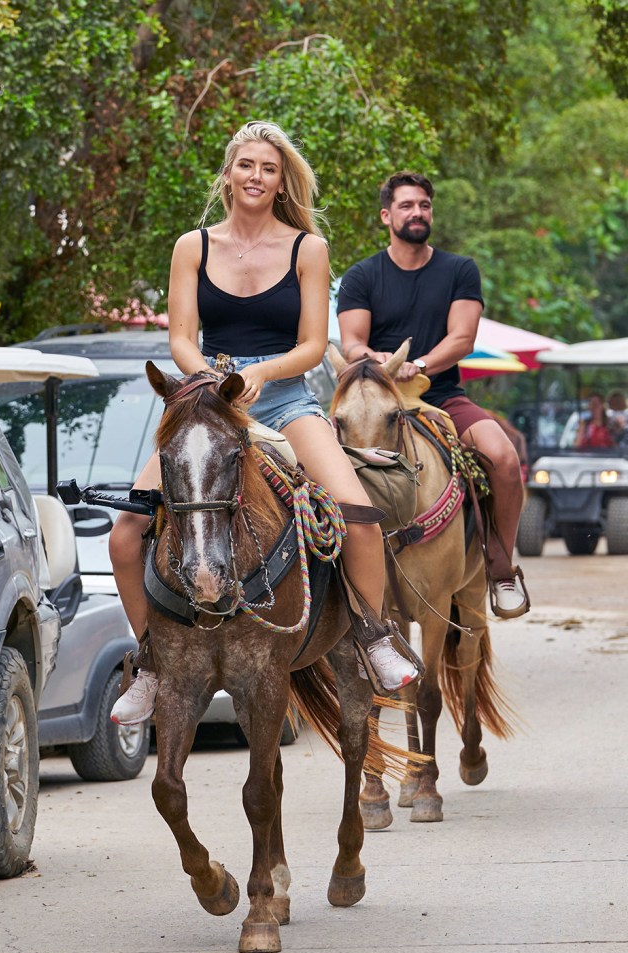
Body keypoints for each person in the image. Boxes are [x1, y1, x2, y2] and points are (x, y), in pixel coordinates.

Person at [109, 122, 420, 725]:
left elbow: (311, 345)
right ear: (228, 173)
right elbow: (179, 336)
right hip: (208, 403)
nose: (256, 176)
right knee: (125, 532)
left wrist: (260, 375)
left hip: (283, 402)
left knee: (359, 518)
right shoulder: (192, 246)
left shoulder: (307, 248)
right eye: (246, 165)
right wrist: (214, 382)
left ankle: (373, 635)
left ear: (282, 182)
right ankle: (149, 663)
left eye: (269, 169)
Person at [337, 170, 528, 619]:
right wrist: (381, 361)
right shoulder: (362, 275)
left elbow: (462, 338)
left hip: (440, 394)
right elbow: (351, 344)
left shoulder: (459, 270)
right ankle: (324, 572)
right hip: (376, 401)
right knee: (312, 469)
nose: (417, 212)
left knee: (503, 458)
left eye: (424, 205)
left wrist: (418, 365)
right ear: (386, 216)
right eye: (406, 206)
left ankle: (500, 565)